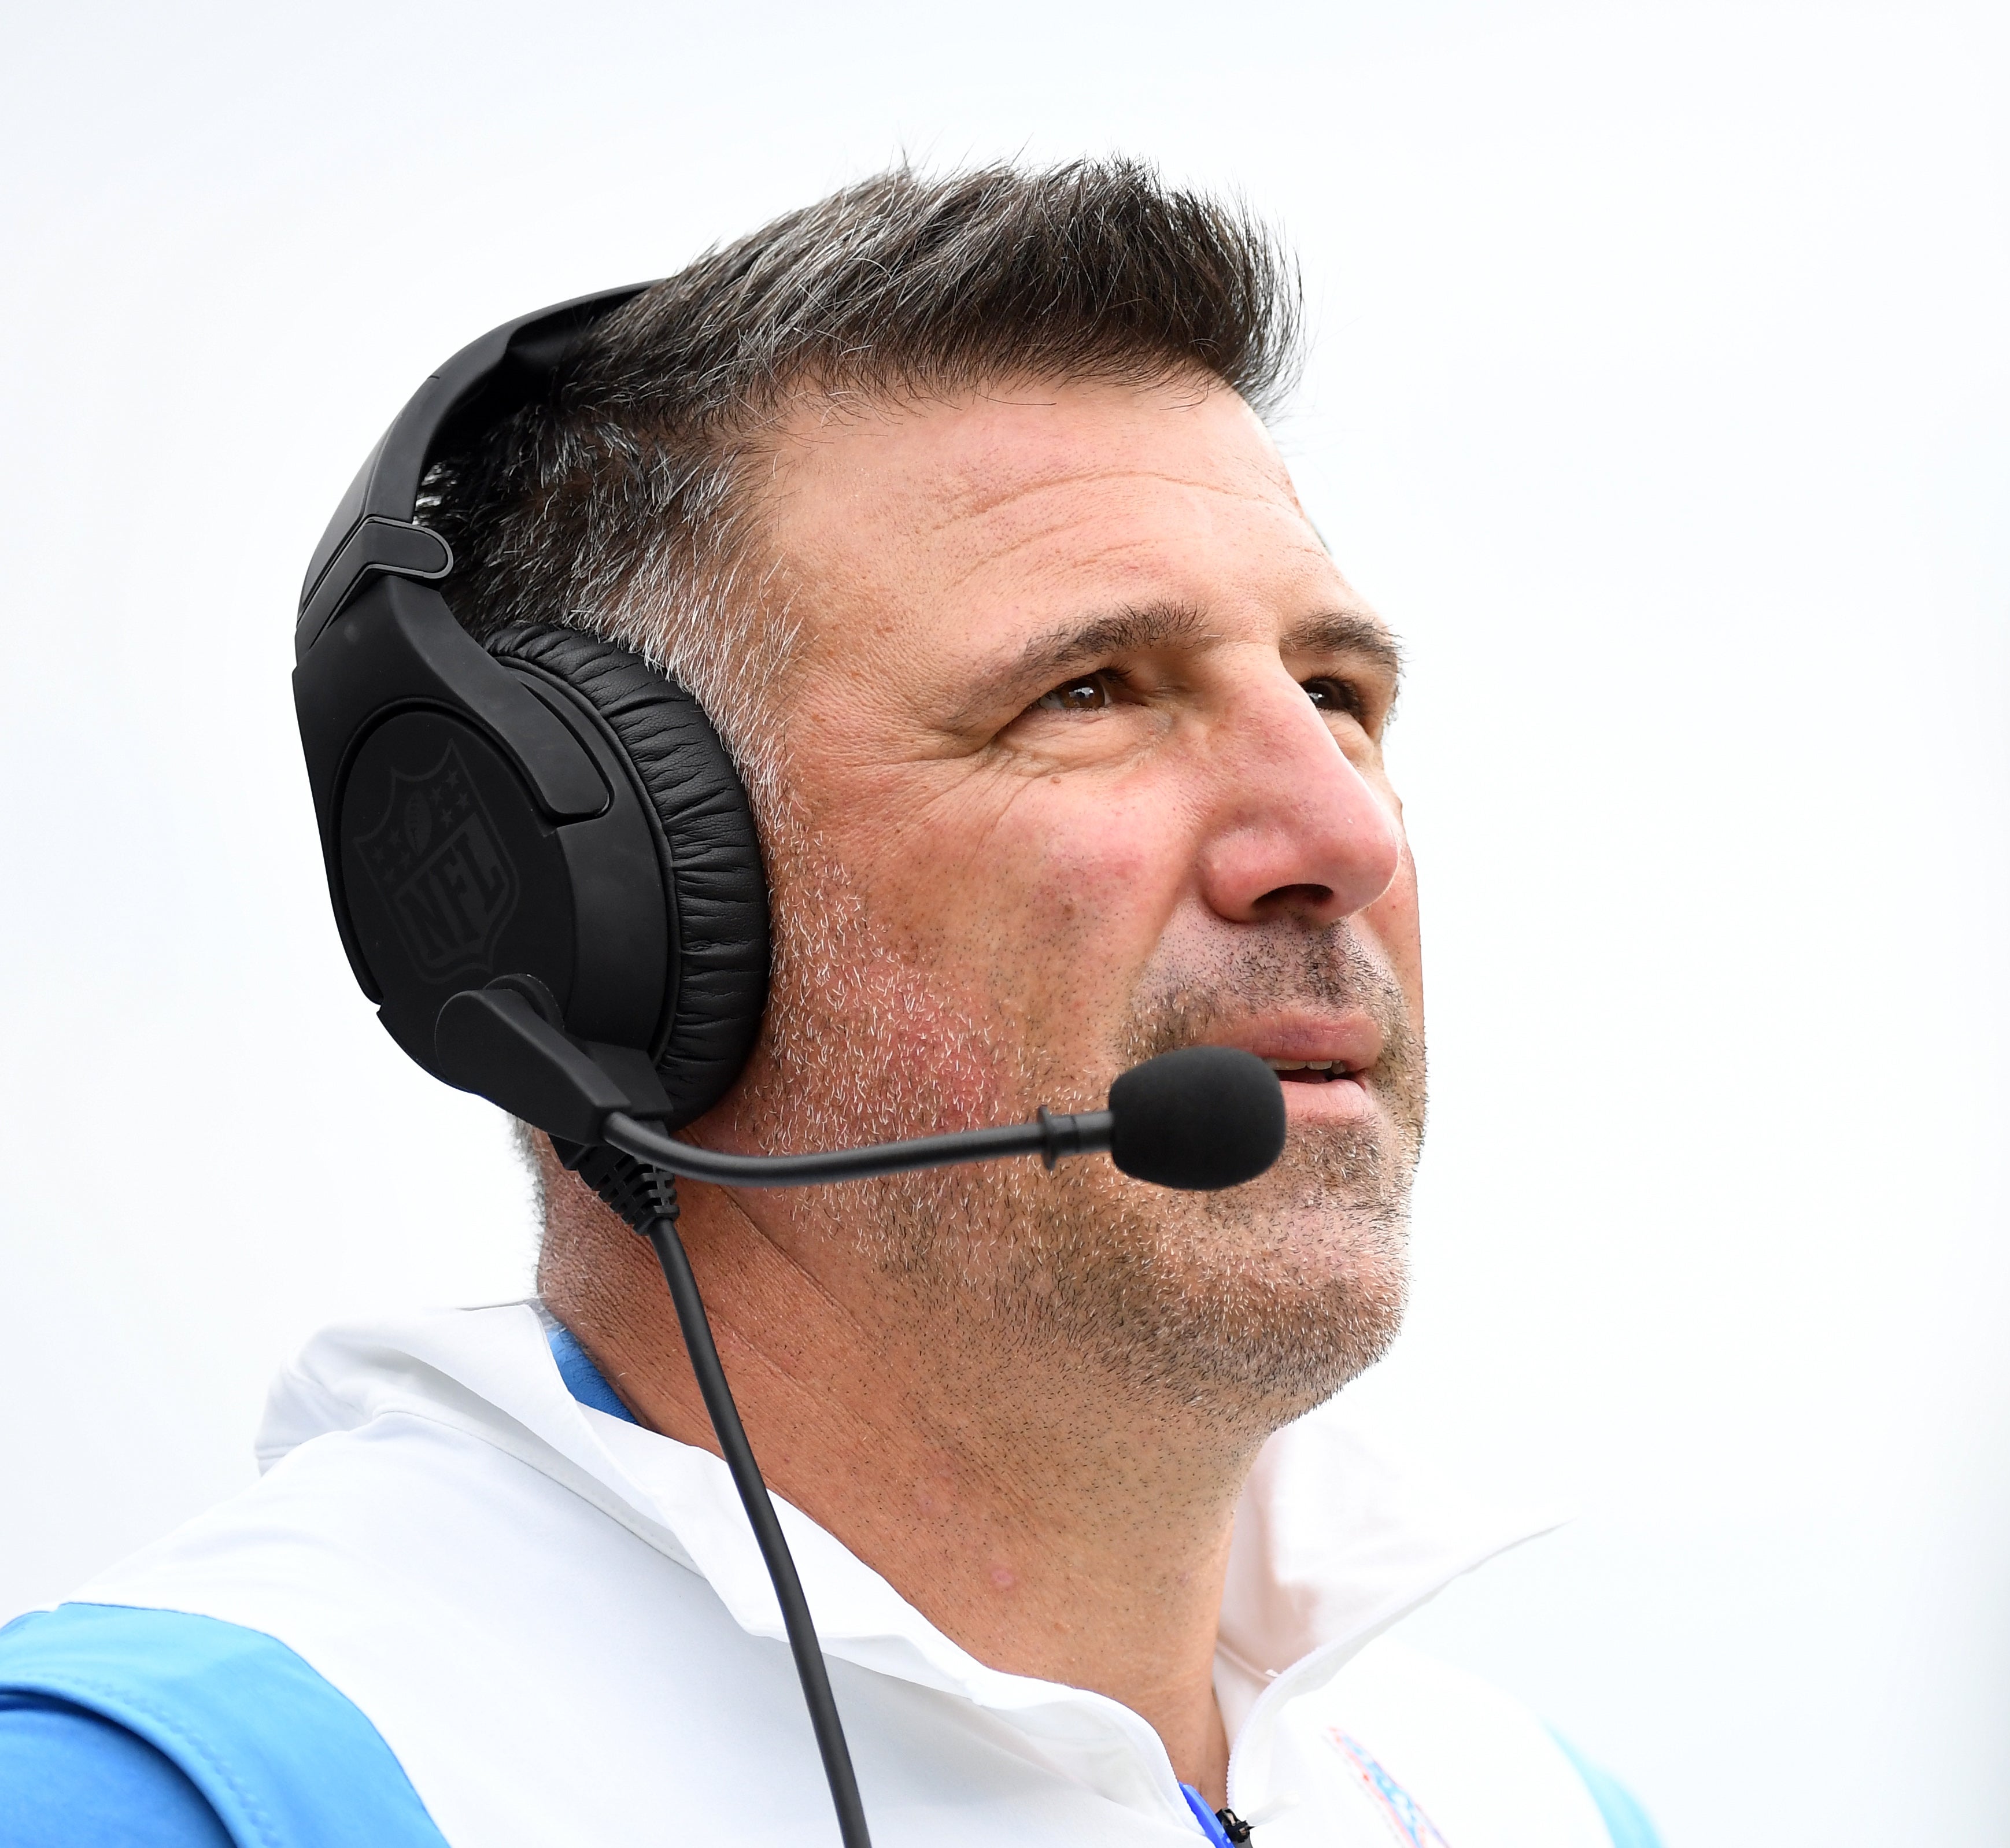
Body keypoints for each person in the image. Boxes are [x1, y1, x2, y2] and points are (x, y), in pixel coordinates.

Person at [0, 161, 1659, 1847]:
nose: (1341, 834)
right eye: (1086, 693)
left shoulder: (1538, 1810)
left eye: (1333, 693)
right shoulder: (180, 1799)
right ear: (607, 911)